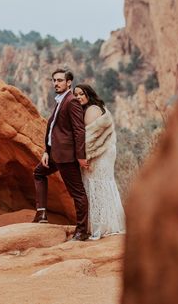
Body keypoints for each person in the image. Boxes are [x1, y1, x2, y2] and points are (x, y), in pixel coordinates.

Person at [33, 68, 89, 241]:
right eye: (54, 80)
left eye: (59, 80)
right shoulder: (60, 101)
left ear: (69, 82)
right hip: (55, 154)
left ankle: (81, 231)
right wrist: (46, 151)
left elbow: (79, 131)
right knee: (38, 173)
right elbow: (53, 129)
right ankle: (41, 213)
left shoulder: (71, 101)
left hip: (67, 156)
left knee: (77, 193)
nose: (56, 83)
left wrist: (80, 156)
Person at [73, 84, 125, 240]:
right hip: (106, 150)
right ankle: (108, 224)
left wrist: (83, 157)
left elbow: (89, 138)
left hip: (99, 152)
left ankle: (100, 227)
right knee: (104, 184)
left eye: (81, 94)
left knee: (96, 184)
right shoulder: (98, 107)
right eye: (75, 95)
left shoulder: (91, 110)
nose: (78, 97)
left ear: (88, 94)